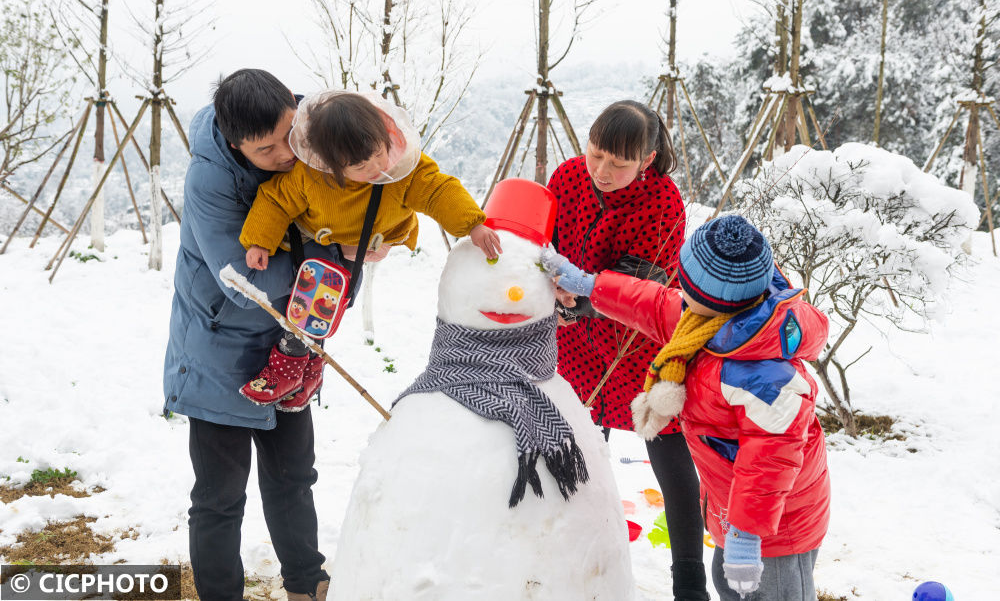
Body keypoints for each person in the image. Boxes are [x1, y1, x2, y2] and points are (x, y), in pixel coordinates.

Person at [543, 215, 832, 601]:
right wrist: (589, 285)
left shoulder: (763, 377)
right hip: (733, 508)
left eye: (686, 284)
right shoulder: (706, 323)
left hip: (776, 528)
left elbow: (770, 463)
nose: (678, 289)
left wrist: (746, 536)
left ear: (713, 299)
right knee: (729, 585)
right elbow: (651, 301)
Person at [162, 69, 334, 601]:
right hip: (220, 352)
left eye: (290, 135)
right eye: (266, 149)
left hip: (289, 347)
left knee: (292, 478)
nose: (287, 153)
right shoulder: (209, 181)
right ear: (235, 143)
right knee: (219, 497)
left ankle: (308, 585)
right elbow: (242, 282)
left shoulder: (316, 134)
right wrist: (330, 261)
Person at [237, 89, 500, 406]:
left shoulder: (402, 167)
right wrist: (259, 241)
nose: (375, 166)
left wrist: (473, 223)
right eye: (359, 165)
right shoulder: (309, 178)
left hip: (370, 240)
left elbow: (437, 190)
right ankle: (303, 368)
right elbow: (275, 200)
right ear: (329, 163)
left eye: (378, 152)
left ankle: (293, 365)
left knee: (325, 298)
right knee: (317, 291)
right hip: (319, 240)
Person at [546, 100, 709, 600]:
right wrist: (547, 281)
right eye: (596, 155)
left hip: (638, 341)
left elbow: (646, 283)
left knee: (667, 445)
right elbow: (542, 240)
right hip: (573, 341)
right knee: (573, 442)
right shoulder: (569, 178)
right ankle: (568, 561)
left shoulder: (663, 202)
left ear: (648, 159)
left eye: (619, 163)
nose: (603, 172)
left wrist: (580, 298)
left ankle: (689, 581)